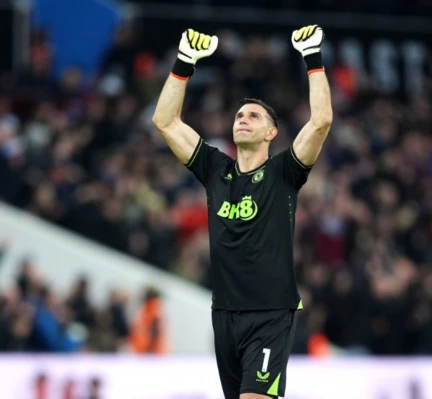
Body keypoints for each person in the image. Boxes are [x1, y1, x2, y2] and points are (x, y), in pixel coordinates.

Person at [152, 25, 332, 399]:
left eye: (253, 116)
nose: (242, 118)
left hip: (270, 313)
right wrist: (184, 63)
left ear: (271, 133)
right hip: (224, 314)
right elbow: (165, 122)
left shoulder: (284, 172)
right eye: (238, 115)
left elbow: (321, 122)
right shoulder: (217, 171)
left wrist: (312, 58)